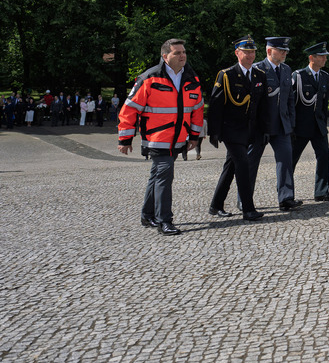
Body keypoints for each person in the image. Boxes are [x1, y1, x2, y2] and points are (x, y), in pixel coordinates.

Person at [117, 38, 204, 235]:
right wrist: (125, 139)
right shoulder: (149, 78)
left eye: (183, 52)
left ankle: (147, 215)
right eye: (177, 53)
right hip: (157, 139)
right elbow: (129, 109)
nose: (182, 56)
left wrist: (194, 136)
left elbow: (197, 109)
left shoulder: (192, 78)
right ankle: (165, 220)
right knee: (165, 174)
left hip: (178, 139)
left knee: (157, 175)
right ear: (165, 56)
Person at [207, 35, 268, 221]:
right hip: (231, 130)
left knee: (231, 167)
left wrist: (264, 130)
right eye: (246, 52)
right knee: (243, 164)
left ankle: (215, 205)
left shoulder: (260, 75)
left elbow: (262, 106)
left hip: (249, 130)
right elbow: (215, 105)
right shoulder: (226, 75)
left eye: (253, 52)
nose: (250, 55)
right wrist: (214, 132)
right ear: (237, 53)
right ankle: (248, 209)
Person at [251, 36, 300, 211]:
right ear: (269, 51)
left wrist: (291, 123)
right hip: (260, 127)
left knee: (286, 160)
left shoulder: (286, 69)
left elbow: (289, 99)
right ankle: (245, 200)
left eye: (286, 50)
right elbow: (253, 103)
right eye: (281, 50)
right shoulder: (257, 69)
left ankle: (286, 198)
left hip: (281, 125)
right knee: (251, 163)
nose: (285, 53)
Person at [291, 42, 329, 201]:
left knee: (324, 155)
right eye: (322, 56)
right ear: (312, 57)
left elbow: (323, 104)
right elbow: (292, 103)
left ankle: (322, 191)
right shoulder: (298, 75)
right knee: (291, 160)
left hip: (318, 125)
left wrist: (323, 122)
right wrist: (292, 126)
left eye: (325, 56)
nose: (325, 59)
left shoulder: (324, 76)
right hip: (301, 126)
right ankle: (287, 195)